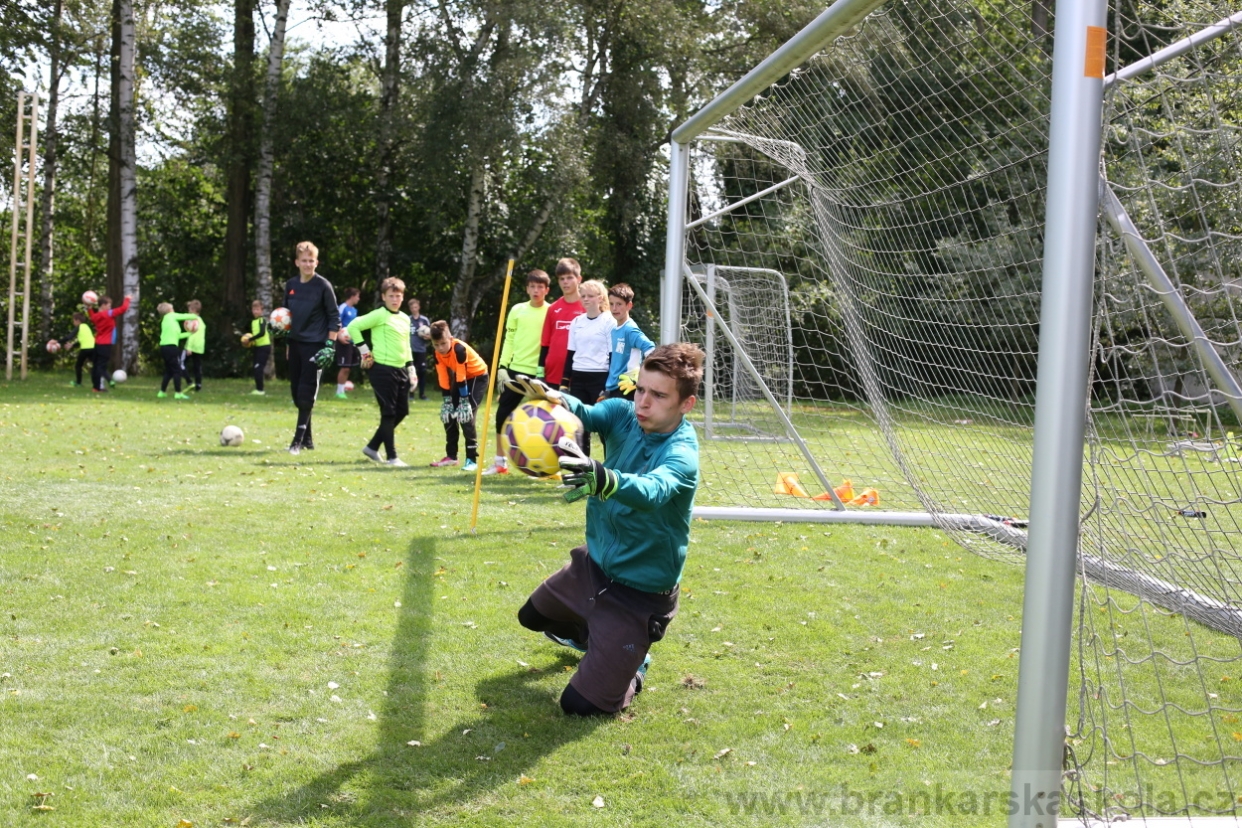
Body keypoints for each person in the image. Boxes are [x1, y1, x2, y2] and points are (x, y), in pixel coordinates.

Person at [509, 343, 704, 716]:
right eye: (641, 389)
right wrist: (556, 398)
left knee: (579, 706)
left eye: (659, 395)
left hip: (640, 594)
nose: (643, 403)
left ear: (686, 404)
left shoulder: (682, 453)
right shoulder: (622, 412)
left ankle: (632, 666)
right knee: (531, 617)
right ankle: (600, 640)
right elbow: (585, 413)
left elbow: (654, 490)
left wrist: (606, 479)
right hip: (592, 568)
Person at [483, 269, 550, 475]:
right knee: (502, 415)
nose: (536, 290)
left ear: (547, 290)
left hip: (540, 374)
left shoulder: (551, 311)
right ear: (527, 288)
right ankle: (500, 462)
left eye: (540, 287)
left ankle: (546, 465)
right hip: (514, 370)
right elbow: (509, 339)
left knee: (543, 420)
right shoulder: (517, 310)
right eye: (532, 286)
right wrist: (503, 367)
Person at [347, 278, 415, 467]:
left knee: (401, 411)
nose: (395, 299)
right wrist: (364, 352)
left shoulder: (404, 318)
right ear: (384, 297)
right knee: (389, 413)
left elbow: (406, 345)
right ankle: (392, 457)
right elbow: (353, 326)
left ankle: (372, 447)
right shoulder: (379, 314)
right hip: (382, 370)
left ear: (402, 297)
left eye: (398, 296)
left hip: (401, 370)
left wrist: (411, 369)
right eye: (391, 296)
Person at [283, 241, 341, 454]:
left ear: (317, 262)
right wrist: (287, 342)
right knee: (297, 393)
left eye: (311, 261)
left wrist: (329, 344)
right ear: (297, 262)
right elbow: (285, 317)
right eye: (304, 260)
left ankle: (296, 442)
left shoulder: (323, 286)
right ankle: (308, 441)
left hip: (316, 345)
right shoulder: (290, 284)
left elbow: (334, 317)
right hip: (296, 344)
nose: (308, 264)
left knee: (306, 392)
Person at [563, 279, 615, 456]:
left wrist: (609, 386)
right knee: (579, 427)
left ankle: (610, 471)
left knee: (603, 427)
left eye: (590, 296)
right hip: (578, 379)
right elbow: (570, 354)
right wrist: (564, 383)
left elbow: (613, 356)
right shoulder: (577, 322)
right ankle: (581, 474)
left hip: (600, 379)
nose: (585, 299)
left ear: (600, 298)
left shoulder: (609, 322)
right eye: (583, 295)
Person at [429, 320, 488, 472]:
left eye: (443, 343)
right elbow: (443, 377)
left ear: (450, 339)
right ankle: (451, 456)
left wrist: (463, 401)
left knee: (465, 416)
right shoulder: (437, 353)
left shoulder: (459, 349)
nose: (440, 348)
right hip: (461, 379)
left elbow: (461, 375)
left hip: (477, 376)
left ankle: (471, 459)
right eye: (436, 345)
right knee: (449, 415)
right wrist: (447, 400)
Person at [539, 258, 585, 391]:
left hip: (577, 374)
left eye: (569, 277)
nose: (565, 282)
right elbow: (545, 344)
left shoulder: (587, 308)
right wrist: (540, 372)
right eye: (561, 278)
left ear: (579, 279)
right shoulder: (553, 308)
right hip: (552, 375)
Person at [603, 283, 655, 401]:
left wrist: (638, 378)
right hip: (613, 388)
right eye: (611, 304)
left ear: (629, 305)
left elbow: (651, 350)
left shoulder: (630, 329)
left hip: (626, 388)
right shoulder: (614, 329)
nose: (614, 308)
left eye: (619, 304)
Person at [88, 294, 131, 392]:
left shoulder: (96, 316)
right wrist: (127, 299)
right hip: (106, 343)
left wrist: (89, 308)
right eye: (108, 305)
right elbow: (123, 308)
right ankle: (109, 380)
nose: (110, 307)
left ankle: (96, 387)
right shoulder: (108, 313)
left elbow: (92, 317)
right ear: (102, 305)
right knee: (101, 366)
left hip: (98, 343)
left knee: (96, 365)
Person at [156, 302, 201, 399]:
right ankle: (178, 393)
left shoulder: (166, 321)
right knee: (177, 371)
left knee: (169, 371)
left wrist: (190, 333)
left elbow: (178, 336)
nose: (173, 310)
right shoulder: (171, 316)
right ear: (169, 310)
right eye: (172, 308)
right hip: (171, 348)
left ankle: (162, 392)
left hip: (164, 348)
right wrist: (195, 316)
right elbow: (183, 316)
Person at [335, 287, 361, 399]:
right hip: (343, 341)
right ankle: (339, 391)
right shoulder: (342, 308)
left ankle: (342, 390)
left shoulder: (355, 310)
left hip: (352, 341)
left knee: (349, 367)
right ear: (352, 296)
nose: (359, 299)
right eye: (358, 296)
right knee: (344, 367)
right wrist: (339, 336)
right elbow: (336, 321)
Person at [242, 299, 271, 395]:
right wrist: (249, 342)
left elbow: (262, 333)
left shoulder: (262, 320)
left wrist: (250, 339)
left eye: (258, 309)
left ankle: (260, 390)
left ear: (261, 310)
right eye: (254, 309)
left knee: (258, 368)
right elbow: (254, 337)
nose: (255, 311)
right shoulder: (253, 322)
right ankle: (258, 389)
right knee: (256, 368)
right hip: (258, 347)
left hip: (264, 346)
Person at [406, 297, 431, 401]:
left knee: (422, 372)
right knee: (411, 372)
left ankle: (422, 394)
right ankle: (411, 394)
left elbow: (430, 335)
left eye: (416, 307)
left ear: (419, 307)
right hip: (410, 350)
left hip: (421, 350)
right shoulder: (407, 319)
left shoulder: (424, 320)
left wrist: (427, 336)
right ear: (410, 309)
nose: (414, 309)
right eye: (412, 307)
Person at [180, 299, 206, 392]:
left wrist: (189, 347)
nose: (188, 312)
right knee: (197, 367)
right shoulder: (201, 321)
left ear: (194, 310)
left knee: (180, 363)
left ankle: (189, 382)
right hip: (199, 348)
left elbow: (192, 334)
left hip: (191, 347)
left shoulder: (193, 321)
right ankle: (198, 385)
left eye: (190, 310)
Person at [63, 312, 95, 387]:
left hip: (85, 349)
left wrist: (57, 341)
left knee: (78, 366)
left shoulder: (79, 327)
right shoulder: (87, 327)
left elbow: (69, 337)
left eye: (73, 320)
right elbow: (83, 340)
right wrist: (72, 345)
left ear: (77, 320)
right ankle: (108, 380)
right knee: (97, 365)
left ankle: (78, 383)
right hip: (93, 348)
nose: (73, 322)